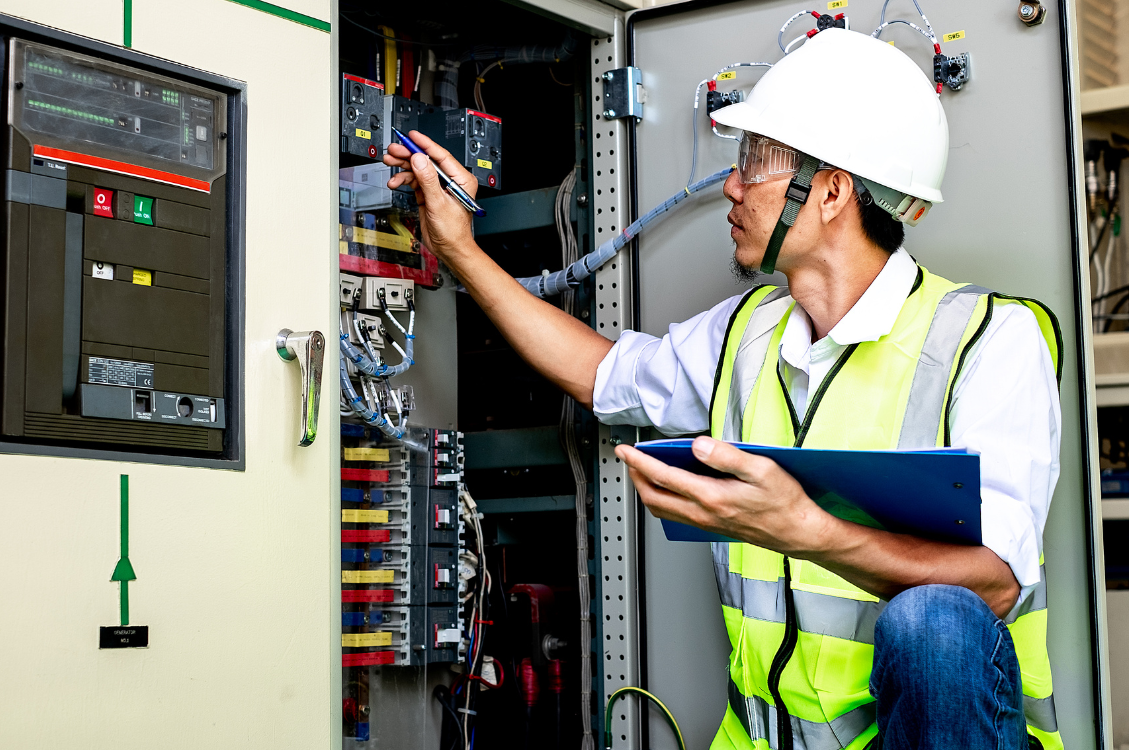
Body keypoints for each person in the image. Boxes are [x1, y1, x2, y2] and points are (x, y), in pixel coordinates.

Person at [384, 28, 1061, 750]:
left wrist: (806, 530)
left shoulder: (988, 340)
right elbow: (598, 370)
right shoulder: (747, 335)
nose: (731, 188)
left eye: (752, 165)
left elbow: (994, 584)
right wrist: (458, 247)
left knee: (935, 623)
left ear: (831, 191)